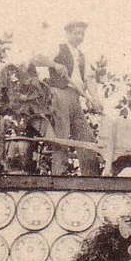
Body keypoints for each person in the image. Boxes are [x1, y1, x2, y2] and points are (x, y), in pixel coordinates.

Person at [46, 20, 100, 176]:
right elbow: (37, 58)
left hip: (75, 97)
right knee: (62, 135)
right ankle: (58, 175)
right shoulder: (58, 48)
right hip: (59, 93)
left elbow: (89, 79)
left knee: (87, 138)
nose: (80, 37)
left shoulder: (82, 56)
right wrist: (54, 65)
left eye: (82, 34)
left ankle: (91, 178)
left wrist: (96, 99)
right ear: (68, 33)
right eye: (77, 33)